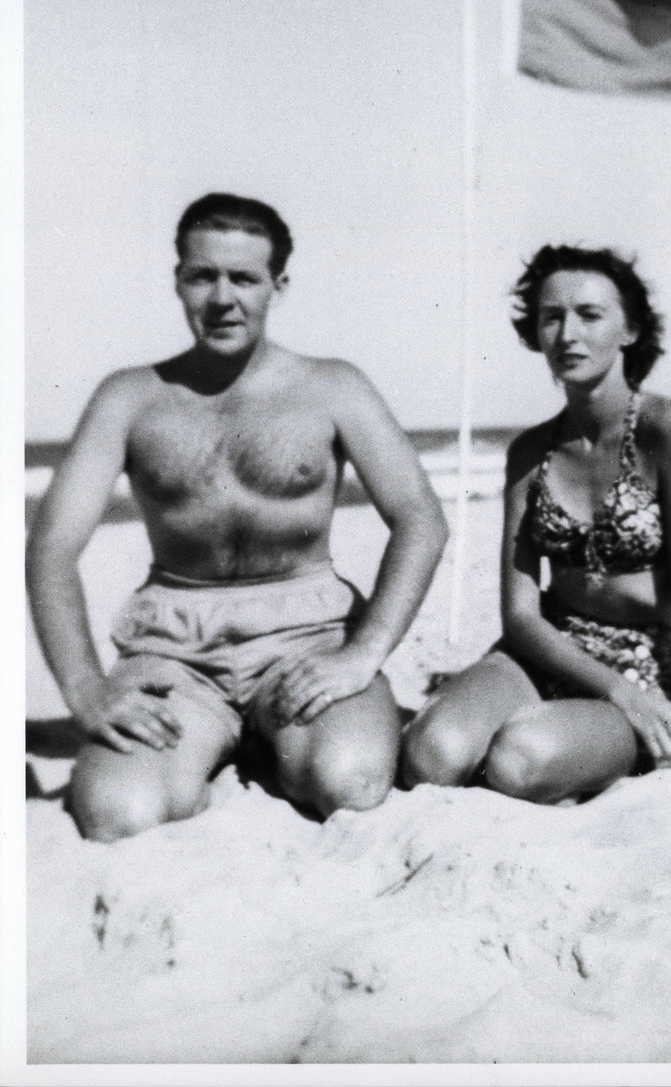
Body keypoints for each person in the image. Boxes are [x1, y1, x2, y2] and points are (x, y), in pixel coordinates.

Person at [26, 193, 449, 842]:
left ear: (277, 285)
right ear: (178, 281)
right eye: (203, 276)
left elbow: (420, 517)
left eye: (244, 278)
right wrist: (84, 687)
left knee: (352, 784)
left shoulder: (332, 386)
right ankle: (225, 745)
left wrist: (365, 652)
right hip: (175, 654)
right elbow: (51, 544)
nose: (223, 297)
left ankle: (272, 743)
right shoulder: (130, 397)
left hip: (307, 640)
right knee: (118, 815)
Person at [403, 245, 671, 805]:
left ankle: (569, 741)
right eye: (552, 316)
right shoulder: (529, 452)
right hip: (544, 648)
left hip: (639, 669)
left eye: (590, 315)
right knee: (430, 755)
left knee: (517, 763)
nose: (568, 333)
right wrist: (607, 688)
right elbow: (520, 614)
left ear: (630, 329)